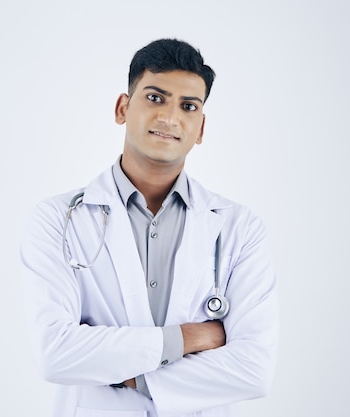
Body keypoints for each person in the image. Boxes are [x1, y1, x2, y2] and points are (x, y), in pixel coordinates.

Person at [19, 38, 278, 417]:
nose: (170, 118)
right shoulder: (57, 219)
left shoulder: (240, 228)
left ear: (200, 128)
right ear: (123, 107)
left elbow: (254, 370)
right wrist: (188, 339)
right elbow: (55, 354)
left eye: (188, 106)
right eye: (155, 98)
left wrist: (130, 376)